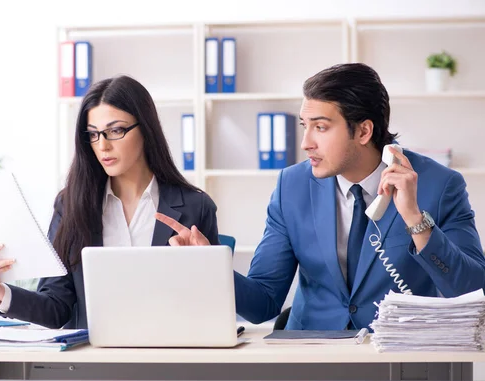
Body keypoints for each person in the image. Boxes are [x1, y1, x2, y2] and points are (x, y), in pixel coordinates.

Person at [156, 63, 485, 330]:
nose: (306, 143)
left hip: (399, 360)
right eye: (304, 125)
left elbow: (473, 292)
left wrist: (415, 219)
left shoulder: (439, 185)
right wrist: (208, 265)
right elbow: (263, 303)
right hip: (311, 361)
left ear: (363, 131)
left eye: (321, 127)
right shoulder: (292, 186)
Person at [0, 75, 219, 329]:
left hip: (168, 358)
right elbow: (57, 307)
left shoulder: (195, 207)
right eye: (93, 134)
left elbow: (211, 309)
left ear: (145, 128)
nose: (102, 146)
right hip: (92, 362)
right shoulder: (70, 205)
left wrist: (202, 270)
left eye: (115, 130)